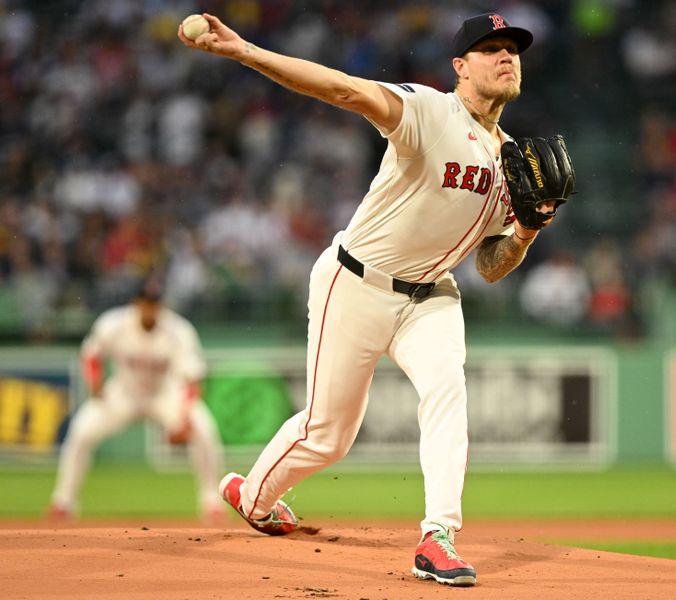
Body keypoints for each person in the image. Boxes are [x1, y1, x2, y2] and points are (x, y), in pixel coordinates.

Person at [179, 11, 566, 587]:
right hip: (355, 281)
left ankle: (438, 537)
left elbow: (489, 266)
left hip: (432, 296)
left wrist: (529, 230)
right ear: (460, 67)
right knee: (329, 434)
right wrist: (247, 53)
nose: (506, 55)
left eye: (512, 47)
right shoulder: (431, 111)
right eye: (490, 48)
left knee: (448, 392)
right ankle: (252, 497)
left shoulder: (512, 160)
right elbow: (344, 88)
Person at [48, 278, 225, 521]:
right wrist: (96, 384)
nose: (151, 308)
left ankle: (211, 502)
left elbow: (192, 380)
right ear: (136, 303)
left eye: (156, 303)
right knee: (81, 430)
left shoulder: (179, 330)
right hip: (123, 393)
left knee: (204, 429)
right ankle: (63, 501)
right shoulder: (114, 323)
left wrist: (183, 419)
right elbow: (91, 355)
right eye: (146, 302)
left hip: (165, 394)